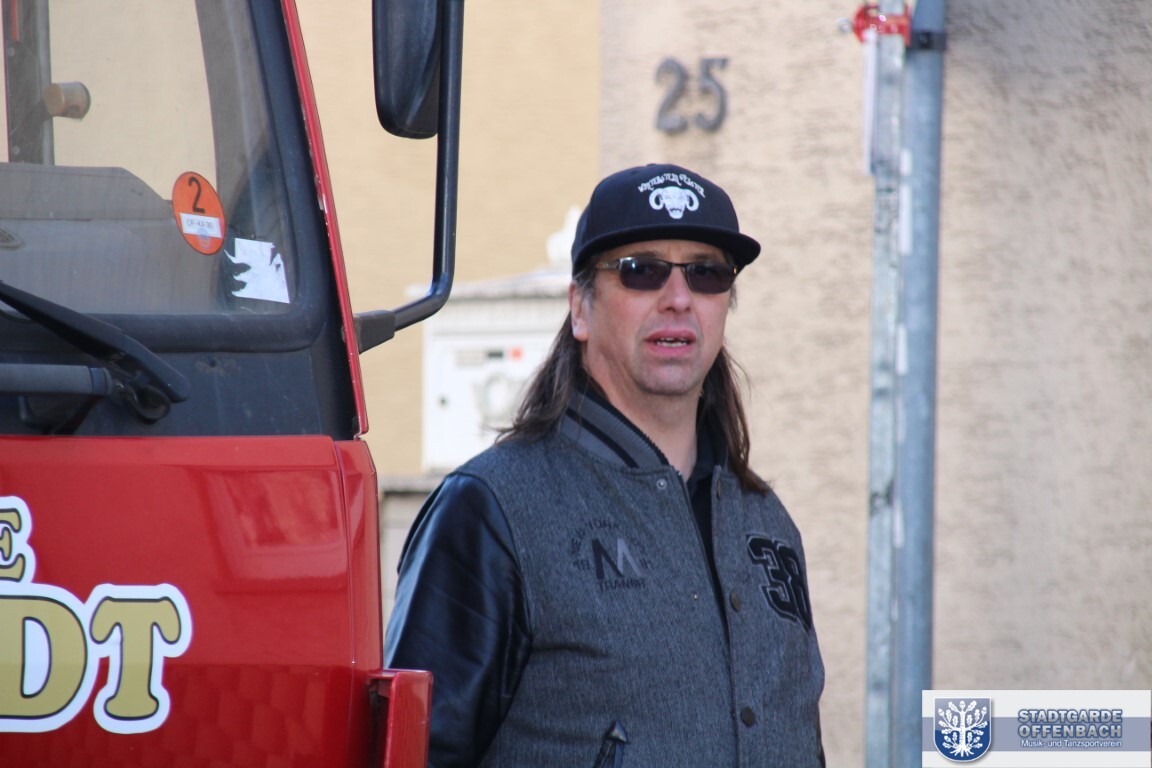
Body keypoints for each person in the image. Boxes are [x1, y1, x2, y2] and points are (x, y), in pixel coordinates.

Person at [385, 163, 825, 767]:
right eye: (642, 270)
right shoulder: (491, 510)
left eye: (706, 272)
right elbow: (413, 753)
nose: (678, 299)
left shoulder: (767, 524)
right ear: (581, 309)